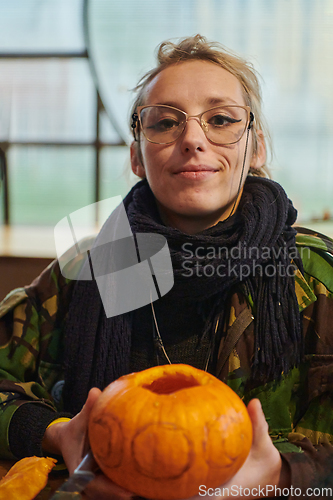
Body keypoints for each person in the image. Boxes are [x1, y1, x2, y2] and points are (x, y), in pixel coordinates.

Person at [0, 34, 333, 499]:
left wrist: (285, 476)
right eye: (164, 123)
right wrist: (55, 432)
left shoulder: (318, 275)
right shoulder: (85, 271)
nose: (193, 140)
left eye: (220, 119)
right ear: (136, 155)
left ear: (256, 148)